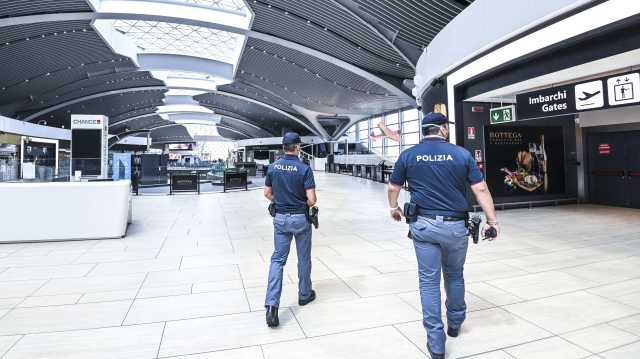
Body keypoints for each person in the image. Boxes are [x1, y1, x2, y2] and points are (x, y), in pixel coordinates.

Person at [387, 112, 499, 359]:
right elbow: (480, 188)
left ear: (425, 130)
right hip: (456, 227)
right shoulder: (461, 154)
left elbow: (393, 187)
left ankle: (436, 342)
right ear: (442, 130)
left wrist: (394, 208)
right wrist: (492, 221)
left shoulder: (409, 155)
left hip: (423, 225)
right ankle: (455, 323)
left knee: (428, 281)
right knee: (454, 274)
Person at [263, 132, 317, 328]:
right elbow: (311, 200)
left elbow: (267, 193)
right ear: (297, 147)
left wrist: (280, 201)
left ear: (283, 147)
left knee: (277, 260)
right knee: (303, 258)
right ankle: (304, 294)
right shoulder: (304, 168)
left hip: (280, 219)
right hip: (300, 219)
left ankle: (271, 306)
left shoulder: (273, 167)